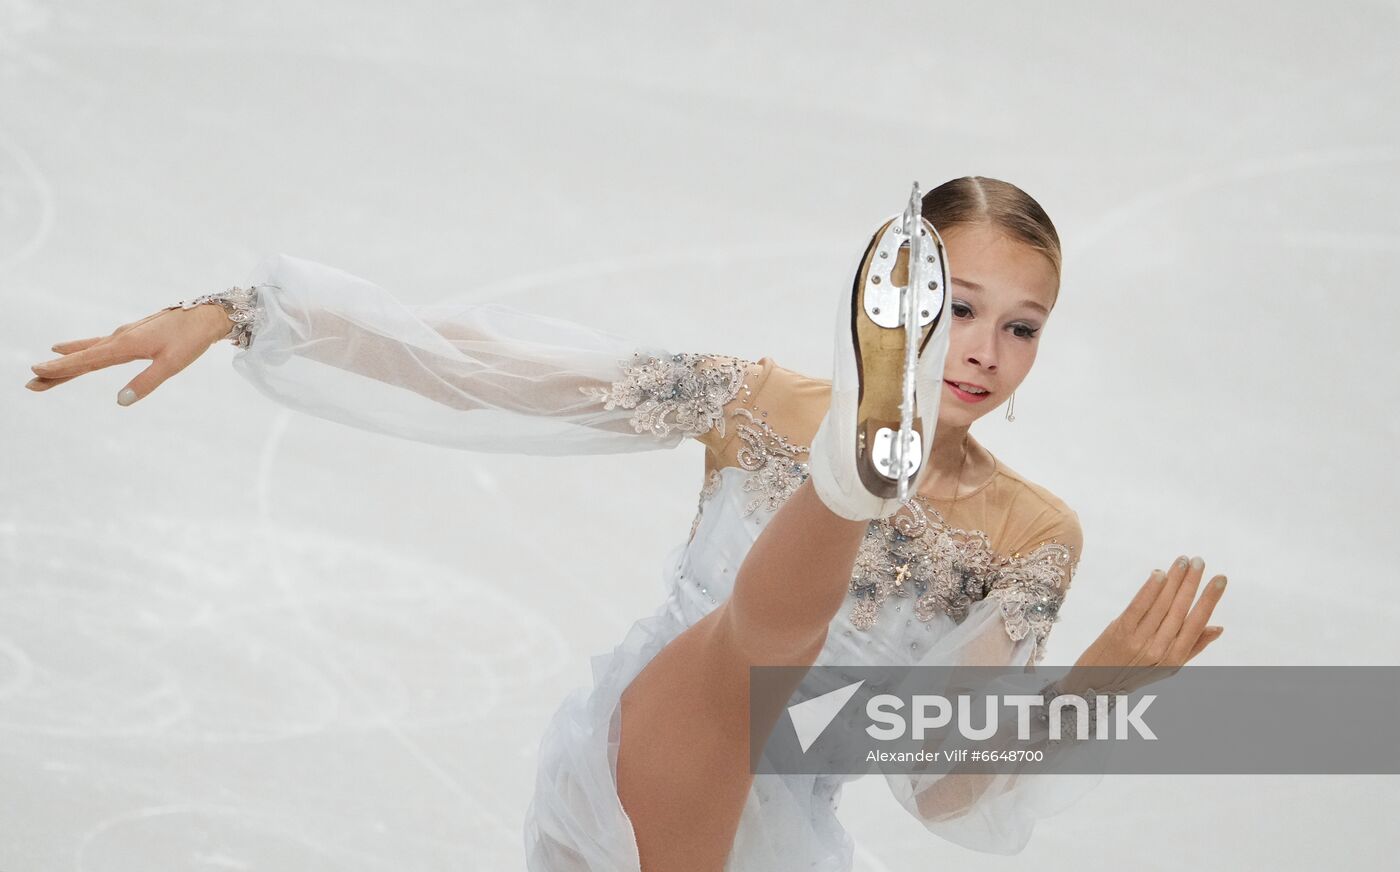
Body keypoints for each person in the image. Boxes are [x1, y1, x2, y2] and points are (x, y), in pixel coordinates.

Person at [25, 176, 1228, 871]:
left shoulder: (1032, 533)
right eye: (956, 304)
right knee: (750, 654)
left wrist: (1097, 687)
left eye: (1021, 326)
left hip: (783, 824)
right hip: (663, 721)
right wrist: (239, 311)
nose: (984, 347)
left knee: (777, 690)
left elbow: (939, 784)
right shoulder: (756, 398)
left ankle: (846, 482)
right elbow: (487, 369)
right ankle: (847, 480)